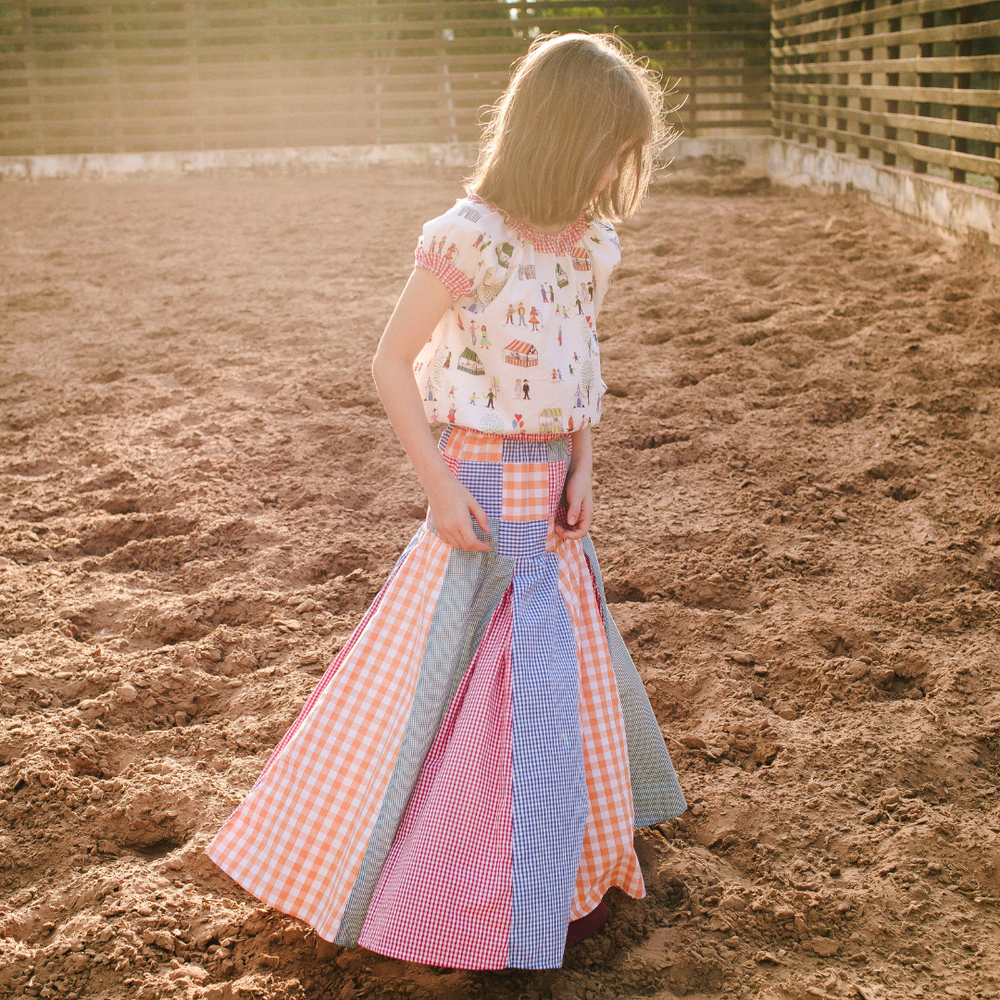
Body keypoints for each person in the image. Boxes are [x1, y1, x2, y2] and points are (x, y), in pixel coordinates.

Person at [207, 31, 686, 972]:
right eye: (608, 146)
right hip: (475, 493)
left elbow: (580, 367)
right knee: (462, 688)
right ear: (563, 134)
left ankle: (563, 870)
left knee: (555, 681)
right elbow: (389, 362)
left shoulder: (591, 245)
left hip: (552, 502)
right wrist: (437, 491)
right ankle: (458, 884)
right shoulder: (469, 236)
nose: (615, 169)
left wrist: (585, 464)